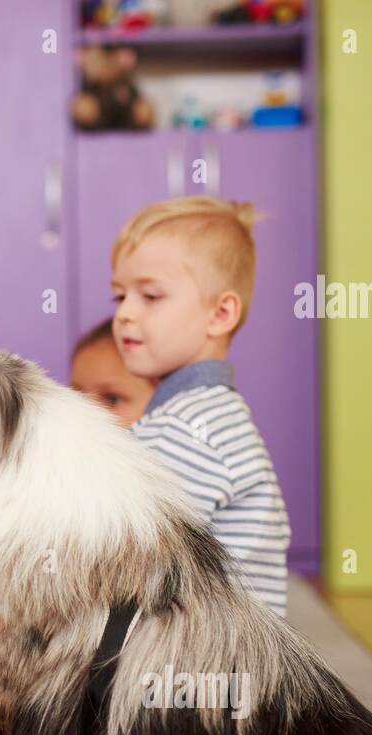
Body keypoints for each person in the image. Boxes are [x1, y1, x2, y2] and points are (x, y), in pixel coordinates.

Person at [110, 196, 291, 617]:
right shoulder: (199, 412)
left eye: (150, 296)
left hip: (211, 663)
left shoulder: (186, 428)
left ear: (220, 313)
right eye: (119, 297)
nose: (125, 314)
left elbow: (136, 557)